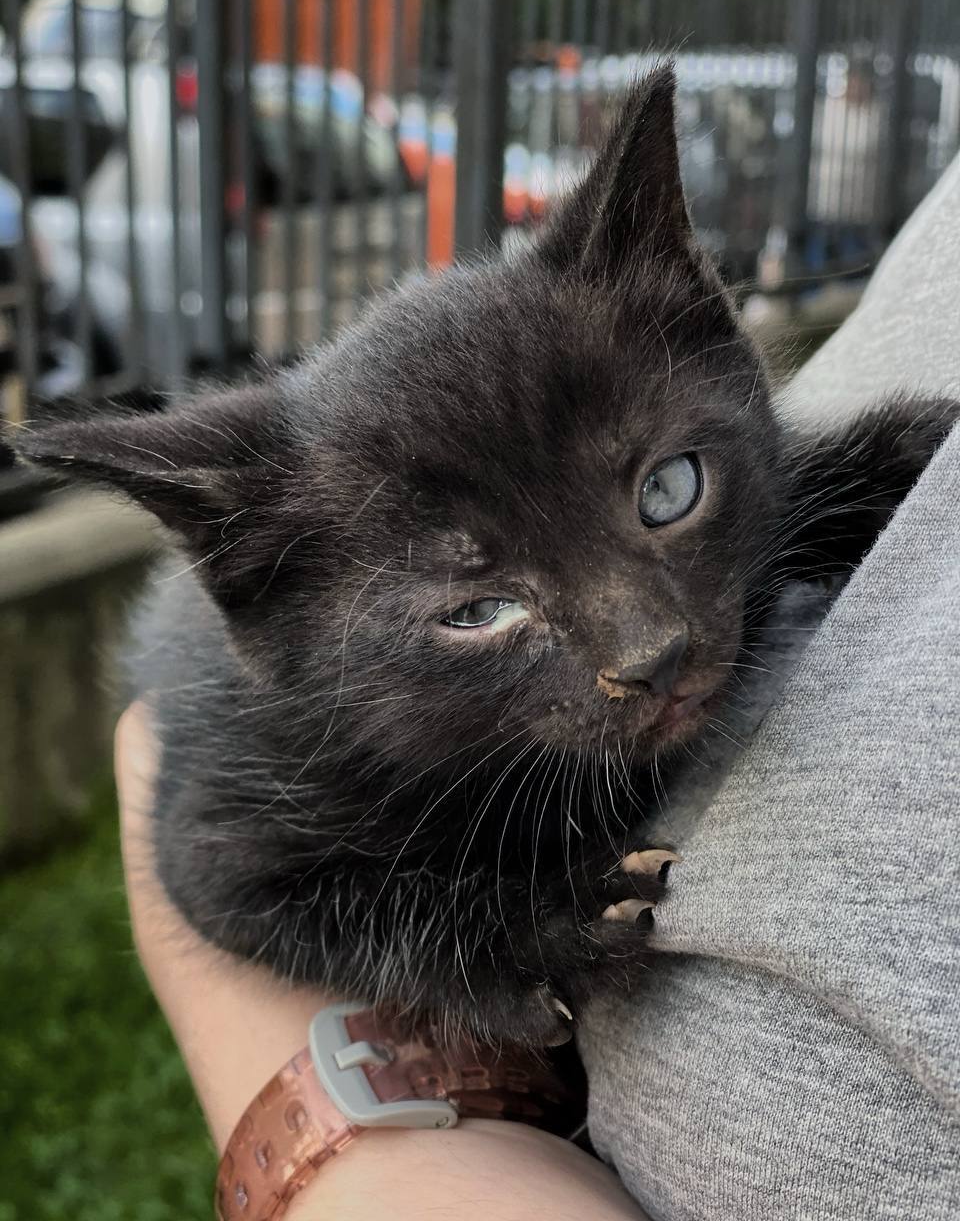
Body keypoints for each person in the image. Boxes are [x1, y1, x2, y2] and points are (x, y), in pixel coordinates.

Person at [115, 151, 960, 1221]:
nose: (649, 646)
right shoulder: (318, 743)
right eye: (477, 608)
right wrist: (487, 938)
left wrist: (839, 496)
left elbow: (752, 473)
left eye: (668, 491)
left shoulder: (665, 406)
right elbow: (230, 877)